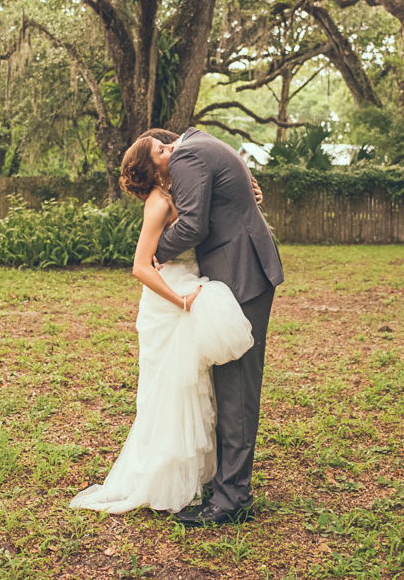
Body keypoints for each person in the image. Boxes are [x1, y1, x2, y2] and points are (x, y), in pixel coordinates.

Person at [68, 130, 257, 515]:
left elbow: (206, 213)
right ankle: (167, 476)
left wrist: (244, 195)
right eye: (161, 150)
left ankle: (205, 476)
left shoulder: (182, 190)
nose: (171, 149)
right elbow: (141, 265)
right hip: (172, 299)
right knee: (172, 390)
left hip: (190, 285)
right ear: (151, 169)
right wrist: (181, 300)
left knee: (195, 387)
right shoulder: (158, 203)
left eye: (168, 145)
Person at [153, 126, 284, 527]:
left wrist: (154, 249)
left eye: (156, 157)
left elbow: (194, 226)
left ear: (165, 147)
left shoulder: (186, 156)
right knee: (229, 384)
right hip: (243, 269)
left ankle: (232, 500)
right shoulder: (204, 144)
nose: (161, 172)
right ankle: (227, 483)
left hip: (242, 273)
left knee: (237, 388)